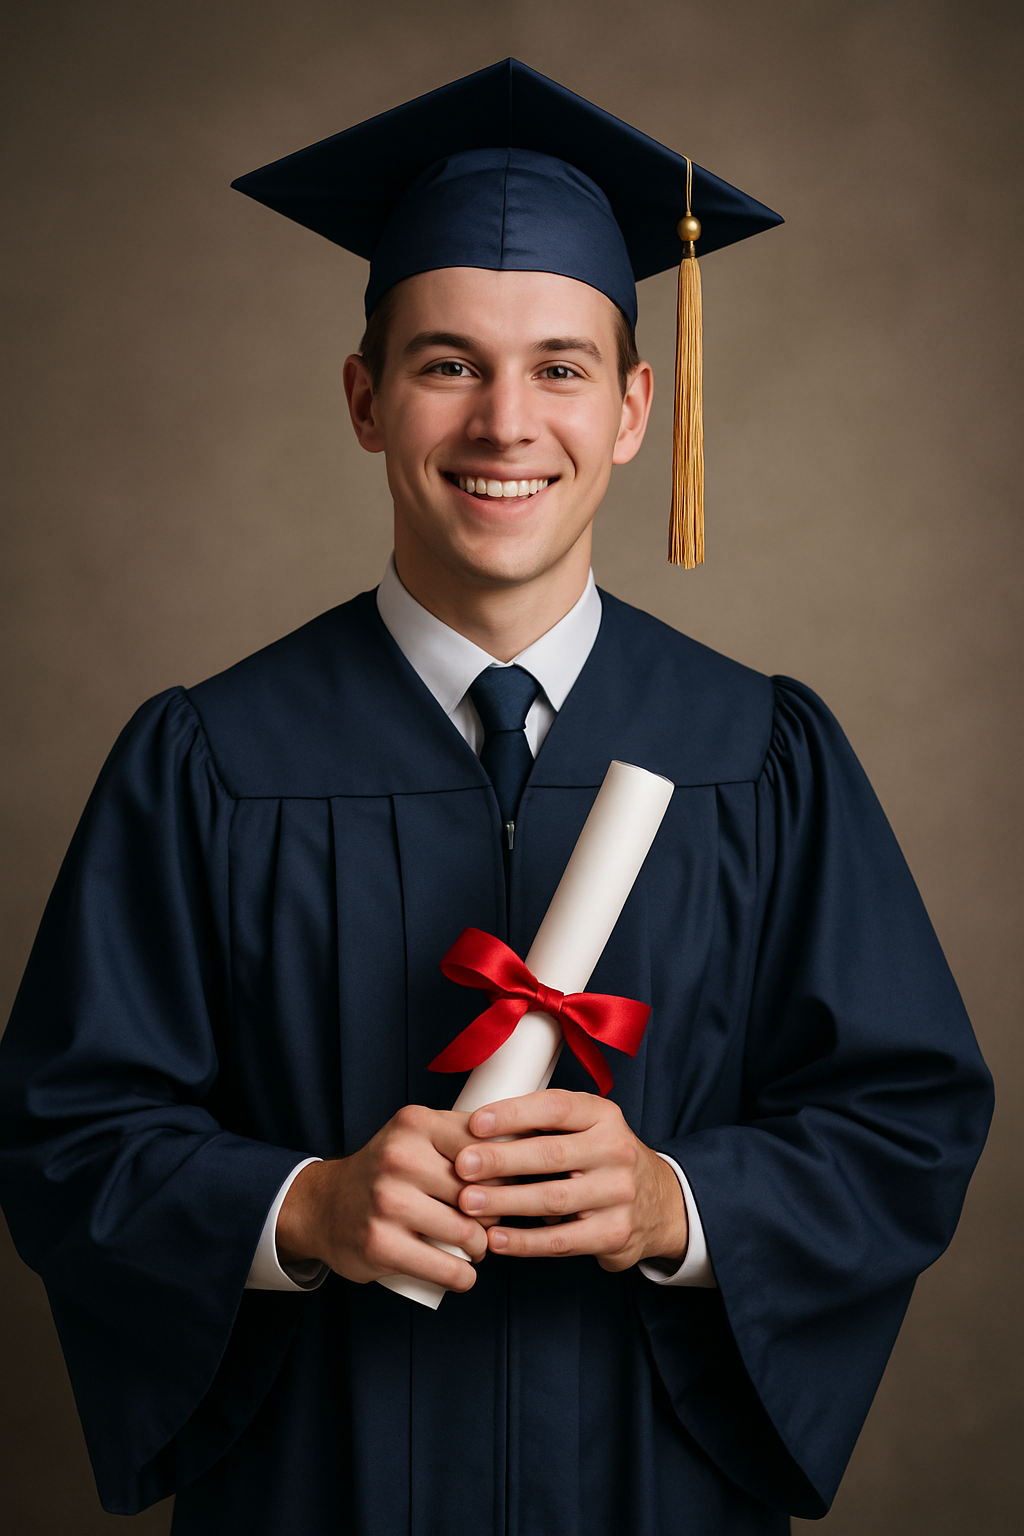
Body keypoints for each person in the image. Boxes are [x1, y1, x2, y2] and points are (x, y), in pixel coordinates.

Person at [0, 59, 993, 1536]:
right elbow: (68, 1136)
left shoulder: (763, 751)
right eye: (447, 362)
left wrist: (679, 1205)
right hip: (315, 1489)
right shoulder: (209, 761)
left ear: (638, 408)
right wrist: (299, 1211)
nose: (505, 422)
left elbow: (904, 1121)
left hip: (660, 1496)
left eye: (562, 367)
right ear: (365, 398)